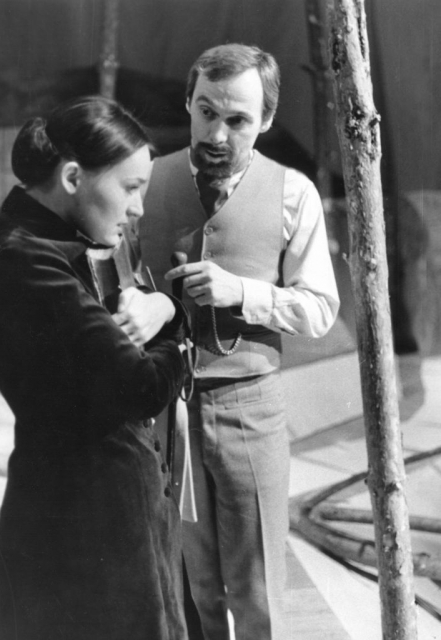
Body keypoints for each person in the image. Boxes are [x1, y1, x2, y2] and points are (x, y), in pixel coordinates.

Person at [0, 96, 189, 640]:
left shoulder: (57, 245)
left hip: (104, 517)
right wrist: (174, 326)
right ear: (71, 177)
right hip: (84, 530)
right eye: (130, 188)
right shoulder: (25, 261)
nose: (138, 208)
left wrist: (162, 309)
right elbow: (142, 387)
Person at [139, 44, 340, 639]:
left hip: (251, 407)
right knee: (188, 585)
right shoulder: (145, 181)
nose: (217, 134)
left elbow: (321, 309)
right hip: (165, 409)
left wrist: (244, 293)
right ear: (188, 102)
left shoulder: (293, 193)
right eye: (206, 112)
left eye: (238, 119)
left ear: (267, 120)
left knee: (257, 593)